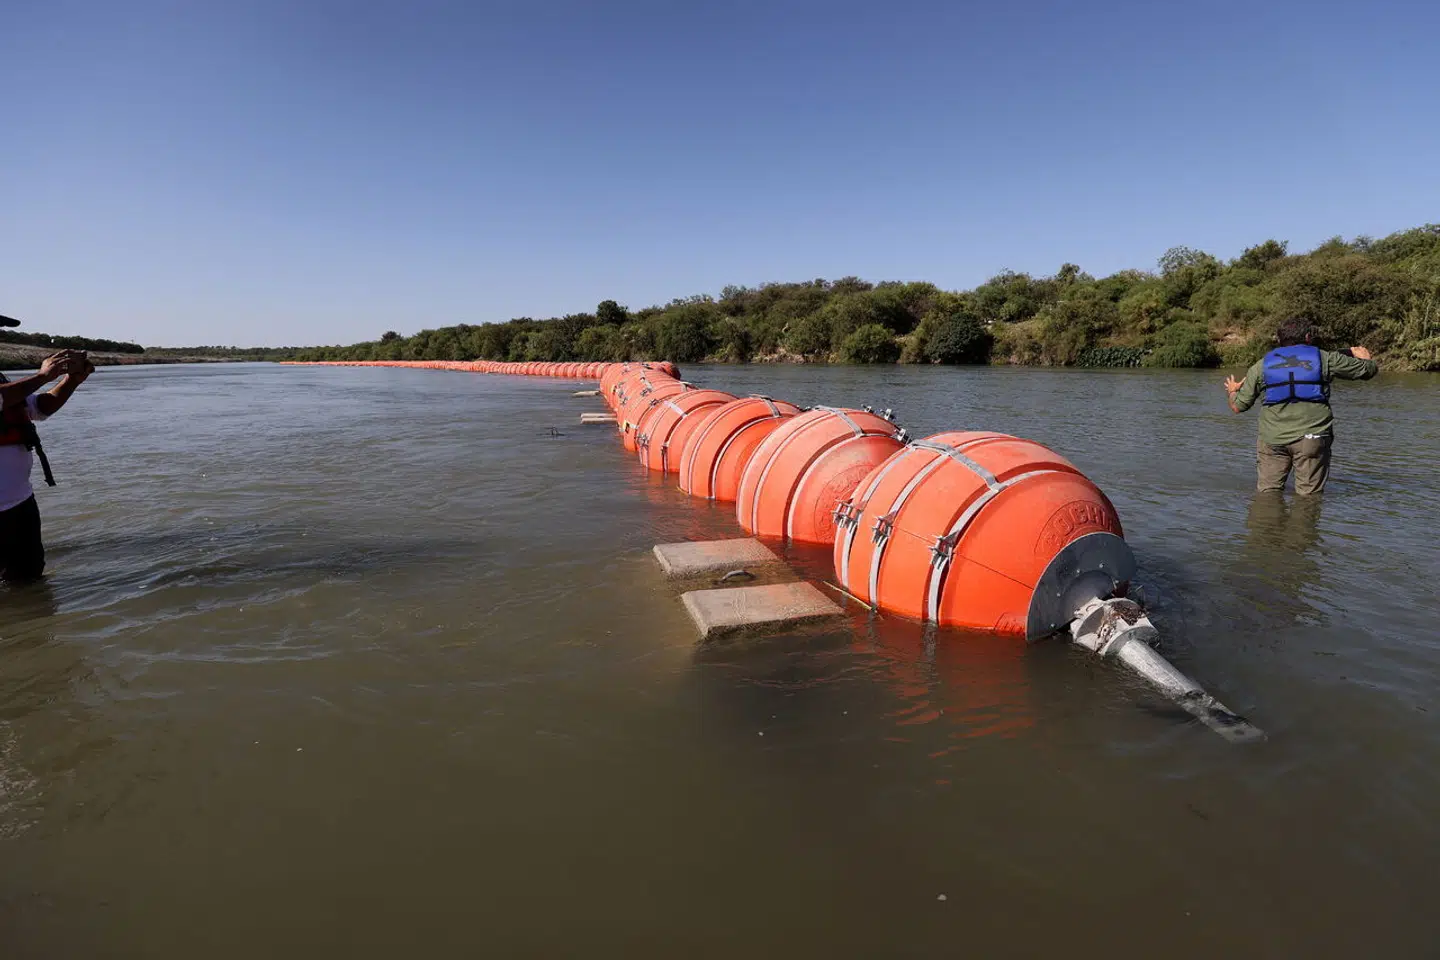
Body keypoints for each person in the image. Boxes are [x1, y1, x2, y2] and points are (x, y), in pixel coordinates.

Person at [1223, 318, 1378, 495]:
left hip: (1272, 439)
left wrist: (1232, 391)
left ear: (1279, 340)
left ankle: (1266, 521)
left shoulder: (1260, 367)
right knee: (1308, 498)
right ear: (1307, 337)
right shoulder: (1325, 358)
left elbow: (1237, 406)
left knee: (1268, 494)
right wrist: (1366, 359)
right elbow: (1368, 370)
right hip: (1311, 437)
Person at [1, 349, 94, 581]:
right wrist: (43, 376)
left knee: (29, 579)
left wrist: (71, 380)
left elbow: (37, 408)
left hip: (20, 503)